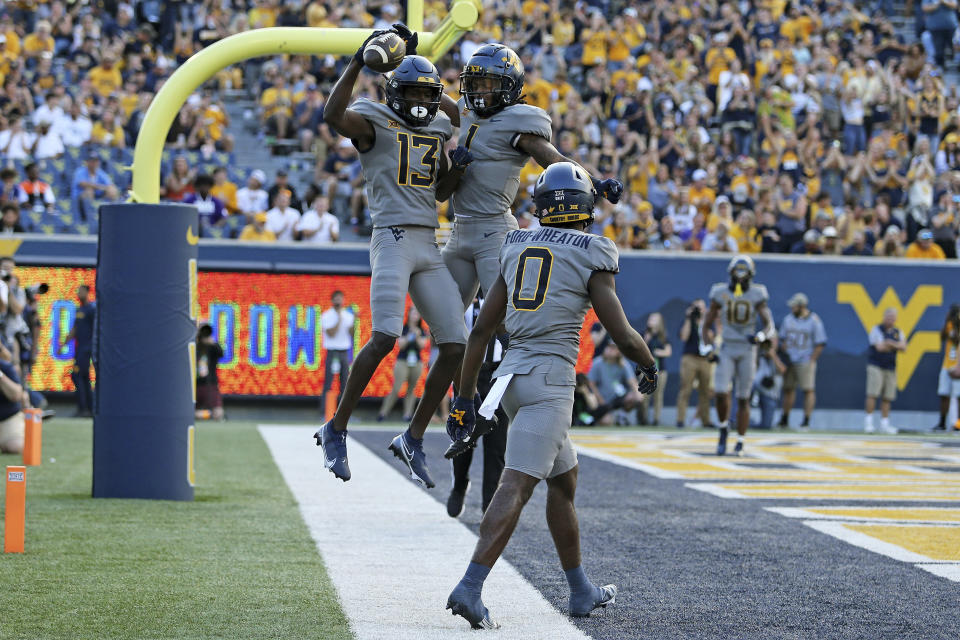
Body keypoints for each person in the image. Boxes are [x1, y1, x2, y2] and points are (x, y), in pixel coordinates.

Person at [443, 162, 657, 628]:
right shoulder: (592, 250)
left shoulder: (516, 242)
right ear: (585, 208)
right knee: (516, 485)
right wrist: (649, 362)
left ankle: (581, 590)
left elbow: (480, 330)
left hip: (510, 377)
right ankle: (470, 586)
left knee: (564, 482)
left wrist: (463, 398)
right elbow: (619, 332)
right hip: (550, 383)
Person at [314, 27, 469, 488]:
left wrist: (415, 63)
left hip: (428, 241)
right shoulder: (373, 119)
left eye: (429, 94)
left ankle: (413, 437)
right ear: (393, 93)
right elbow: (332, 113)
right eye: (413, 93)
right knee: (384, 336)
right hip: (393, 237)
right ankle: (336, 427)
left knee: (456, 344)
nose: (423, 102)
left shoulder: (439, 126)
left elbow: (439, 188)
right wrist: (361, 60)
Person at [438, 43, 623, 326]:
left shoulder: (518, 122)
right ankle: (457, 372)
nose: (479, 91)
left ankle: (509, 371)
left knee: (506, 325)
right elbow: (447, 104)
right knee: (445, 324)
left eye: (487, 84)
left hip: (493, 232)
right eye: (475, 83)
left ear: (509, 87)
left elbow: (556, 160)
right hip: (459, 231)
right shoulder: (469, 112)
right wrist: (414, 65)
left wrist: (595, 183)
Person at [703, 255, 775, 455]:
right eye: (737, 272)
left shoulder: (757, 294)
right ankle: (724, 427)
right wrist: (708, 347)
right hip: (727, 346)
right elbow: (706, 323)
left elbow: (769, 324)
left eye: (744, 273)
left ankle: (741, 440)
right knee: (720, 392)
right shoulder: (720, 292)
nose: (740, 277)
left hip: (747, 349)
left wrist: (760, 336)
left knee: (744, 397)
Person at [447, 296, 509, 519]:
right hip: (468, 374)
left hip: (499, 374)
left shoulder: (509, 294)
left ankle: (489, 506)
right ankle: (460, 484)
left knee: (496, 445)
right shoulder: (464, 294)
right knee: (462, 439)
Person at [777, 293, 827, 430]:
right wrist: (784, 348)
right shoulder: (788, 319)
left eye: (794, 306)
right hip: (790, 359)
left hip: (805, 359)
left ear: (802, 306)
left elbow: (820, 343)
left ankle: (806, 420)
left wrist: (811, 360)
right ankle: (784, 419)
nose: (792, 308)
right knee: (788, 389)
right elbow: (782, 338)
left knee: (808, 390)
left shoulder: (814, 320)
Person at [377, 307, 427, 423]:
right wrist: (410, 335)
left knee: (411, 389)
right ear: (408, 314)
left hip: (417, 362)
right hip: (402, 361)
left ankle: (407, 415)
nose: (415, 315)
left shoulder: (421, 330)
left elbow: (422, 345)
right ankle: (383, 413)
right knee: (397, 387)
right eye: (413, 312)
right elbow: (401, 345)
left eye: (417, 313)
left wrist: (418, 335)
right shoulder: (403, 329)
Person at [864, 307, 906, 434]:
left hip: (890, 367)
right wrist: (894, 345)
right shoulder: (876, 329)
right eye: (889, 317)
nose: (890, 320)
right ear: (884, 317)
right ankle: (869, 422)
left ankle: (884, 424)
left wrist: (889, 342)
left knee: (888, 396)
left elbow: (903, 347)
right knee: (873, 393)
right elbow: (880, 348)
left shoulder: (898, 332)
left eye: (893, 318)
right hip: (876, 365)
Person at [676, 299, 714, 428]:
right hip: (689, 358)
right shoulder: (688, 321)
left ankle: (706, 420)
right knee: (685, 389)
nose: (699, 310)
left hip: (704, 359)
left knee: (705, 391)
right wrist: (688, 318)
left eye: (701, 307)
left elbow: (710, 338)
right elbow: (684, 337)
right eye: (696, 307)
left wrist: (704, 321)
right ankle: (680, 420)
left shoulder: (708, 322)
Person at [58, 284, 96, 417]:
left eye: (81, 291)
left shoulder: (91, 310)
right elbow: (74, 329)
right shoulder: (79, 309)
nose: (78, 293)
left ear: (87, 292)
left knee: (78, 375)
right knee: (83, 378)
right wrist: (63, 345)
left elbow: (96, 330)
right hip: (80, 349)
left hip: (86, 349)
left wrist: (92, 347)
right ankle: (88, 408)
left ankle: (84, 408)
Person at [588, 342, 642, 425]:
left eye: (613, 348)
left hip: (617, 399)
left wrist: (638, 394)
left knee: (635, 396)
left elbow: (632, 381)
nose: (609, 350)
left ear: (619, 352)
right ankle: (607, 417)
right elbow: (591, 384)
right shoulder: (597, 363)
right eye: (608, 347)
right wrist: (600, 401)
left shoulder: (623, 364)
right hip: (602, 401)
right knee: (607, 422)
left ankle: (622, 415)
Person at [320, 290, 355, 412]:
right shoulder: (326, 315)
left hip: (344, 351)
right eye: (336, 299)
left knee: (345, 383)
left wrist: (354, 322)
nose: (338, 301)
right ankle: (325, 411)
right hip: (332, 351)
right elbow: (331, 334)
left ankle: (343, 412)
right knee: (328, 383)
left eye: (340, 298)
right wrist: (339, 319)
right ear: (332, 300)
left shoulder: (349, 316)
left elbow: (351, 334)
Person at [641, 312, 672, 425]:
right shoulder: (644, 334)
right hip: (646, 370)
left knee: (658, 396)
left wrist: (659, 352)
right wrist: (646, 339)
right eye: (651, 318)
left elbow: (668, 352)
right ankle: (643, 419)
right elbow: (639, 348)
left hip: (661, 370)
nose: (652, 320)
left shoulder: (663, 336)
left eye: (655, 319)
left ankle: (656, 420)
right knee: (644, 395)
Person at [934, 304, 960, 431]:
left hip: (958, 364)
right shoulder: (948, 325)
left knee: (959, 395)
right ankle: (942, 422)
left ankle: (958, 424)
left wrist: (956, 324)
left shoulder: (957, 325)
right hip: (947, 364)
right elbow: (942, 337)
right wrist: (947, 321)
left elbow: (957, 339)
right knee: (944, 394)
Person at [195, 323, 225, 421]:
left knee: (218, 413)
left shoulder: (212, 347)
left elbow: (221, 353)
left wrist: (212, 342)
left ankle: (207, 415)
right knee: (191, 412)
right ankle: (204, 415)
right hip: (196, 385)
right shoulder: (194, 346)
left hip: (210, 384)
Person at [0, 356, 25, 454]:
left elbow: (16, 395)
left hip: (7, 416)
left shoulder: (6, 367)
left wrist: (1, 376)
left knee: (15, 446)